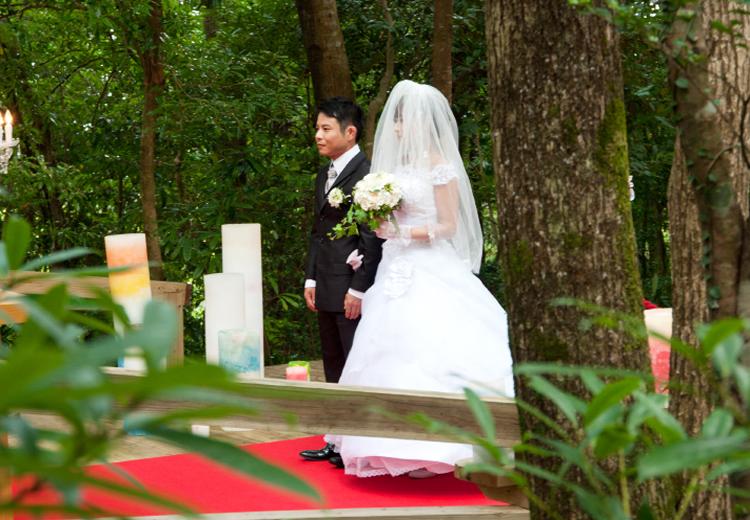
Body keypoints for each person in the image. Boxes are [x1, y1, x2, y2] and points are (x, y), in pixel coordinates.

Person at [326, 80, 515, 478]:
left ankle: (446, 443)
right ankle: (391, 442)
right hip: (395, 269)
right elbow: (389, 219)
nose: (395, 130)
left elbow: (447, 225)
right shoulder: (393, 171)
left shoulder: (439, 166)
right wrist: (379, 225)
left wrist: (404, 233)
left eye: (400, 123)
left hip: (429, 265)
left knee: (434, 347)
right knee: (386, 348)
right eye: (394, 124)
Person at [298, 97, 383, 463]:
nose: (318, 135)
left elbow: (371, 239)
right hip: (326, 282)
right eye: (317, 128)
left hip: (350, 286)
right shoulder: (325, 173)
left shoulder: (369, 176)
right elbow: (320, 231)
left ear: (350, 133)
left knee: (354, 364)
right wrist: (310, 277)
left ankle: (360, 443)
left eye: (325, 128)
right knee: (332, 363)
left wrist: (358, 288)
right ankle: (337, 441)